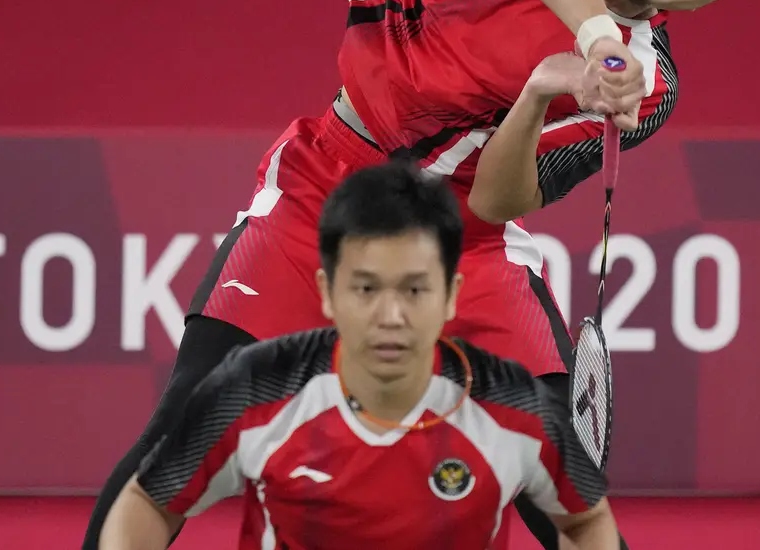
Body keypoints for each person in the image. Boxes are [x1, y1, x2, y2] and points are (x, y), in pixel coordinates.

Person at [83, 0, 760, 550]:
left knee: (563, 478)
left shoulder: (651, 86)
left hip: (464, 237)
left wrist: (544, 92)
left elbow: (497, 197)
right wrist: (598, 41)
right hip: (323, 187)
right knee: (184, 427)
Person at [98, 161, 619, 550]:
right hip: (321, 179)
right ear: (326, 292)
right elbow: (150, 500)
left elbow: (584, 520)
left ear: (451, 295)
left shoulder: (516, 406)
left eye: (414, 293)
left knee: (556, 492)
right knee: (174, 426)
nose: (389, 316)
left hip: (474, 221)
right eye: (367, 291)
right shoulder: (252, 389)